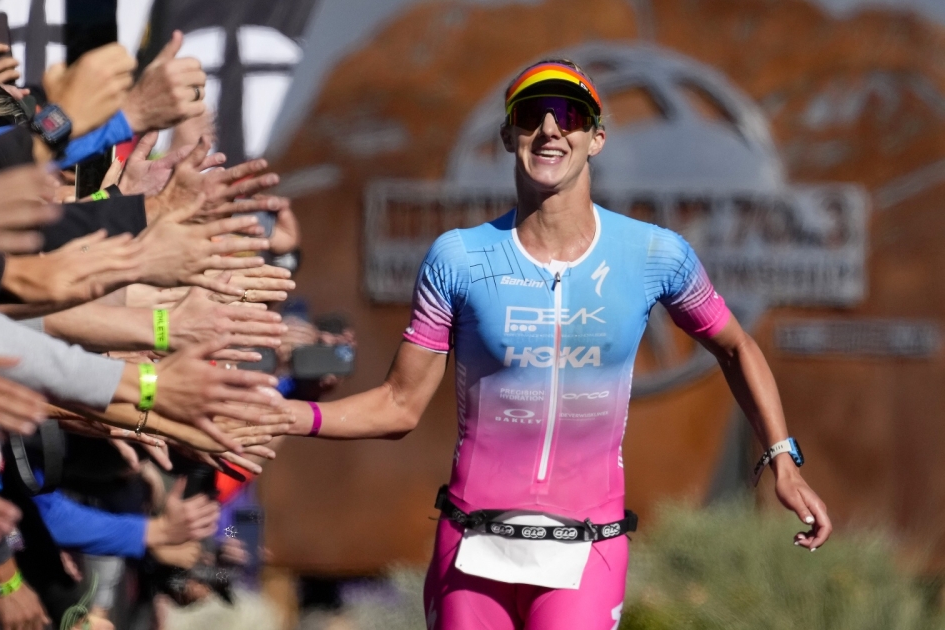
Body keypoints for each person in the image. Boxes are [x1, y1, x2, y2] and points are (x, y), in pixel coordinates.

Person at [277, 59, 833, 629]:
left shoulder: (654, 254)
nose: (549, 129)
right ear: (508, 135)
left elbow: (736, 347)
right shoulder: (459, 258)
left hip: (585, 550)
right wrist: (287, 414)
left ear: (596, 138)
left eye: (569, 115)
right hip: (471, 549)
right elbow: (400, 404)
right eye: (531, 115)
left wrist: (783, 460)